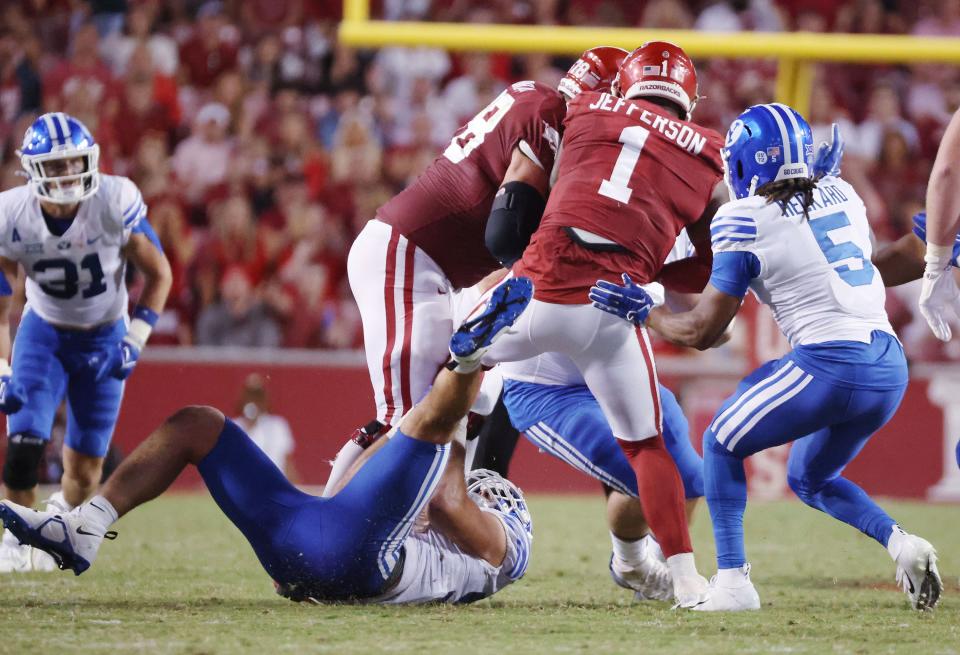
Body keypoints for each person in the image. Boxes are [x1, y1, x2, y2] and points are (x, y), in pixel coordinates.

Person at [590, 103, 942, 612]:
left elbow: (704, 330)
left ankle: (733, 584)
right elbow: (868, 267)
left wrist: (649, 314)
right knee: (810, 477)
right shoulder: (843, 193)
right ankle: (903, 545)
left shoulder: (743, 216)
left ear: (745, 163)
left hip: (831, 364)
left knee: (719, 441)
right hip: (887, 366)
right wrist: (932, 245)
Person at [0, 278, 535, 605]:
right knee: (199, 424)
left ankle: (472, 355)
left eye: (498, 498)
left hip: (357, 559)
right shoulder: (448, 535)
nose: (492, 496)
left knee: (428, 426)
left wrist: (459, 429)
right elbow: (344, 497)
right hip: (315, 544)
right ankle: (85, 527)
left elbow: (444, 495)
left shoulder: (504, 552)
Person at [449, 41, 725, 607]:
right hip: (599, 322)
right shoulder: (707, 154)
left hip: (540, 296)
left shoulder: (584, 111)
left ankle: (465, 364)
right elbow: (713, 274)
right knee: (646, 454)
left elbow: (504, 232)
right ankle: (688, 578)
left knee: (456, 361)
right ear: (689, 100)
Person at [338, 47, 624, 484]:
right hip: (409, 255)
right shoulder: (548, 115)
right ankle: (324, 528)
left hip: (433, 268)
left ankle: (354, 523)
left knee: (452, 411)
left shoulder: (538, 100)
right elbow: (506, 233)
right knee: (410, 422)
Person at [0, 112, 172, 572]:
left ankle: (59, 525)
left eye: (74, 162)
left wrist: (136, 337)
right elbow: (0, 304)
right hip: (44, 333)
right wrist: (1, 367)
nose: (67, 174)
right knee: (24, 445)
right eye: (55, 166)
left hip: (104, 337)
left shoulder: (114, 199)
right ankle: (16, 543)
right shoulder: (11, 214)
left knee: (85, 472)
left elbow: (159, 272)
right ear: (32, 169)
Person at [233, 373, 296, 478]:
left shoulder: (278, 426)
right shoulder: (233, 426)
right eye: (250, 396)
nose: (253, 401)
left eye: (257, 396)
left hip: (273, 484)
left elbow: (288, 464)